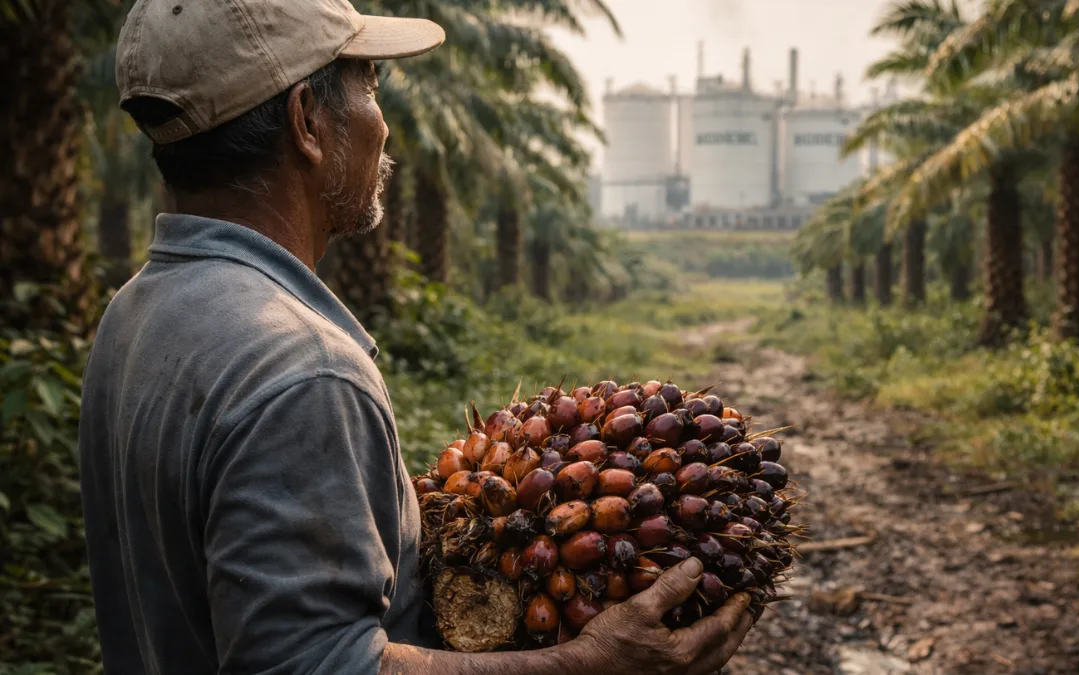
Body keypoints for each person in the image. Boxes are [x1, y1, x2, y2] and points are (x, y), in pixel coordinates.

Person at [78, 1, 754, 674]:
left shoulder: (134, 313)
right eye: (370, 86)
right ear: (307, 120)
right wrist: (590, 663)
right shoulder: (304, 370)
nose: (384, 124)